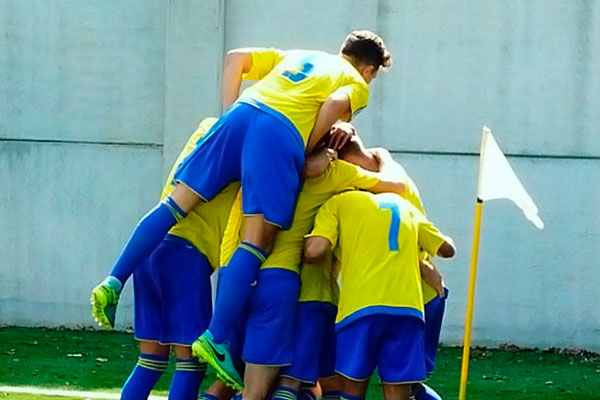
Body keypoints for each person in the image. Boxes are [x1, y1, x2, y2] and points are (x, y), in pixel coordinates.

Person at [92, 30, 391, 390]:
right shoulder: (356, 82)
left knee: (174, 205)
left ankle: (113, 280)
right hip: (278, 134)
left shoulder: (297, 55)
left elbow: (236, 58)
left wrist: (227, 113)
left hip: (242, 112)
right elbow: (332, 107)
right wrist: (305, 147)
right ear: (370, 68)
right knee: (257, 239)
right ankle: (216, 336)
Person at [212, 133, 405, 399]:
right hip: (279, 281)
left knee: (228, 381)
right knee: (266, 388)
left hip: (234, 276)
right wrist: (383, 157)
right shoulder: (336, 173)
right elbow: (396, 186)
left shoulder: (263, 161)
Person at [119, 118, 240, 400]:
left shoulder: (208, 128)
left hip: (150, 249)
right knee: (190, 362)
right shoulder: (243, 149)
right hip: (185, 255)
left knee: (151, 361)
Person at [303, 191, 455, 400]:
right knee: (399, 391)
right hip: (407, 310)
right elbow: (447, 250)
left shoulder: (337, 202)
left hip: (360, 308)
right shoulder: (404, 204)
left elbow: (315, 251)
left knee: (352, 389)